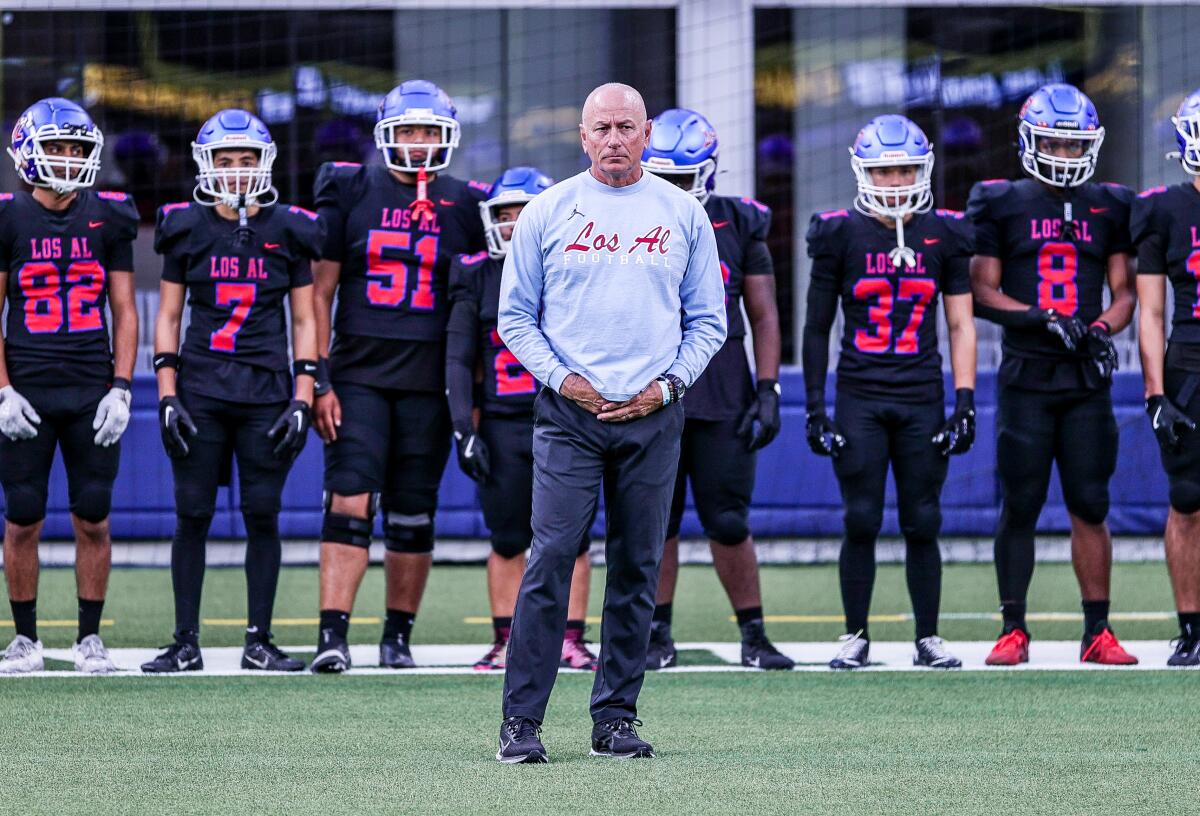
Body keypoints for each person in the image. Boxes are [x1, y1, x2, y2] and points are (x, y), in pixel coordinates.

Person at [494, 82, 725, 764]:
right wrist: (566, 380)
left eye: (628, 126)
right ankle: (521, 725)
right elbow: (514, 318)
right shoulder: (547, 210)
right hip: (569, 417)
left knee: (637, 568)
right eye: (603, 128)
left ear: (647, 132)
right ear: (583, 135)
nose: (616, 139)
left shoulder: (683, 214)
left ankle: (615, 720)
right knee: (551, 561)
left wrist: (667, 385)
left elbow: (709, 321)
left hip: (653, 416)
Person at [309, 80, 488, 673]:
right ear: (387, 132)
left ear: (448, 137)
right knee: (350, 499)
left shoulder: (466, 204)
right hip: (358, 376)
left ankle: (397, 637)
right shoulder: (352, 187)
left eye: (429, 132)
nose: (417, 144)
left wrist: (472, 395)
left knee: (413, 512)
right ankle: (332, 636)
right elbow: (320, 291)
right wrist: (317, 375)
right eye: (408, 131)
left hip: (430, 384)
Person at [141, 109, 321, 673]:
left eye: (247, 161)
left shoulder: (288, 227)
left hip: (266, 391)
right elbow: (169, 315)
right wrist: (167, 392)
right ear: (206, 164)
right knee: (191, 514)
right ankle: (185, 640)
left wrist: (304, 394)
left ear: (265, 164)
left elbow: (306, 320)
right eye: (226, 160)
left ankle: (258, 640)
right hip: (201, 389)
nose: (238, 172)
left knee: (263, 514)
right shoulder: (185, 225)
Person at [967, 83, 1138, 666]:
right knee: (1020, 503)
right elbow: (981, 290)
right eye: (1055, 144)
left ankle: (1098, 631)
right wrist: (1041, 318)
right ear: (1030, 142)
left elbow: (1123, 293)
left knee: (1090, 503)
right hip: (1026, 377)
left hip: (1086, 379)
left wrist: (1100, 330)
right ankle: (1013, 628)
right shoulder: (1001, 201)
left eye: (1074, 145)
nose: (1065, 156)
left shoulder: (1110, 203)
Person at [803, 115, 977, 670]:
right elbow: (815, 327)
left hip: (920, 392)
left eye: (905, 170)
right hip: (860, 394)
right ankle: (856, 634)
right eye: (884, 171)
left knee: (923, 519)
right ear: (863, 172)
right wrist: (814, 407)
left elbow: (960, 325)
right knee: (861, 518)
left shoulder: (943, 233)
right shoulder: (838, 233)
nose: (896, 181)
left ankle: (928, 635)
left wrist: (965, 400)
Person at [639, 108, 792, 671]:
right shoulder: (623, 217)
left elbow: (764, 312)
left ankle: (753, 633)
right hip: (650, 387)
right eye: (665, 178)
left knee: (728, 518)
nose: (675, 191)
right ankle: (655, 633)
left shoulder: (739, 221)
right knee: (659, 519)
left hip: (723, 388)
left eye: (684, 178)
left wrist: (769, 387)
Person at [0, 98, 138, 675]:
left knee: (94, 517)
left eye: (77, 148)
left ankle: (88, 637)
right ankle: (26, 638)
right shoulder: (7, 217)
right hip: (27, 390)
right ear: (29, 150)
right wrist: (2, 390)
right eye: (56, 146)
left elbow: (125, 311)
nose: (67, 157)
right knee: (23, 516)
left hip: (90, 387)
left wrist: (123, 387)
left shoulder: (110, 216)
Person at [445, 166, 598, 672]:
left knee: (573, 536)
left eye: (523, 214)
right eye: (504, 215)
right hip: (505, 422)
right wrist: (464, 430)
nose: (512, 225)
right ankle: (507, 638)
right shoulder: (475, 272)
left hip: (565, 417)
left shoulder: (575, 268)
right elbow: (458, 358)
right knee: (508, 536)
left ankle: (571, 639)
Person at [1130, 86, 1200, 666]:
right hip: (1191, 364)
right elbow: (1151, 311)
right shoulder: (1163, 209)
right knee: (1188, 500)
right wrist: (1155, 393)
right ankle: (1193, 628)